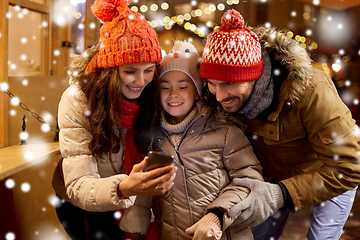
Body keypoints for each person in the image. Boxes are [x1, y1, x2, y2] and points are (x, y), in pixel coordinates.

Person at [200, 9, 360, 240]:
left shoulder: (311, 90)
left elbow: (350, 167)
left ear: (256, 76)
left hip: (330, 173)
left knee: (321, 237)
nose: (219, 95)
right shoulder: (214, 97)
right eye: (212, 83)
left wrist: (282, 193)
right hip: (273, 176)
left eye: (229, 83)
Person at [51, 0, 177, 239]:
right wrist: (124, 187)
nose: (141, 81)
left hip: (134, 200)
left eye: (149, 70)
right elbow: (79, 184)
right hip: (82, 206)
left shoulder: (153, 95)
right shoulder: (79, 99)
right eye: (130, 71)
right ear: (109, 68)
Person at [119, 40, 264, 240]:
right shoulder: (154, 137)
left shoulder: (225, 132)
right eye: (165, 87)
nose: (173, 95)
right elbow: (146, 191)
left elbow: (250, 181)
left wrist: (217, 215)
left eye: (183, 86)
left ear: (197, 92)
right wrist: (133, 230)